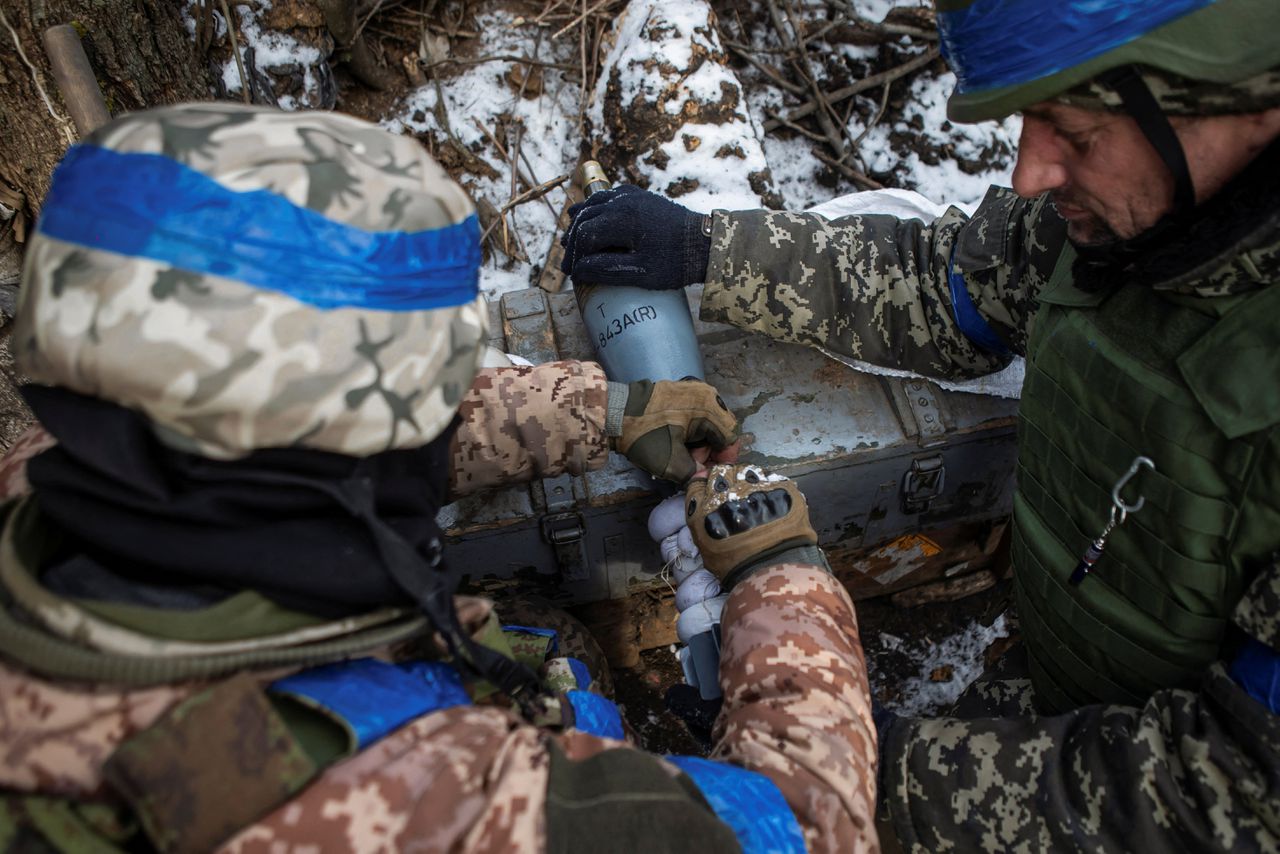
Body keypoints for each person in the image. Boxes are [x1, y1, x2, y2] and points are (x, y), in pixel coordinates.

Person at [0, 104, 879, 852]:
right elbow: (804, 830)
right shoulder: (423, 800)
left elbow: (304, 444)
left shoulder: (59, 469)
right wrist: (782, 577)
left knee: (547, 636)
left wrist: (597, 412)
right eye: (429, 397)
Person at [560, 0, 1280, 849]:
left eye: (1076, 134)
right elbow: (951, 285)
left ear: (1247, 108)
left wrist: (874, 766)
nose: (1029, 172)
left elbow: (1234, 797)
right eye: (1028, 122)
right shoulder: (1137, 215)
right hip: (1065, 696)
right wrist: (711, 251)